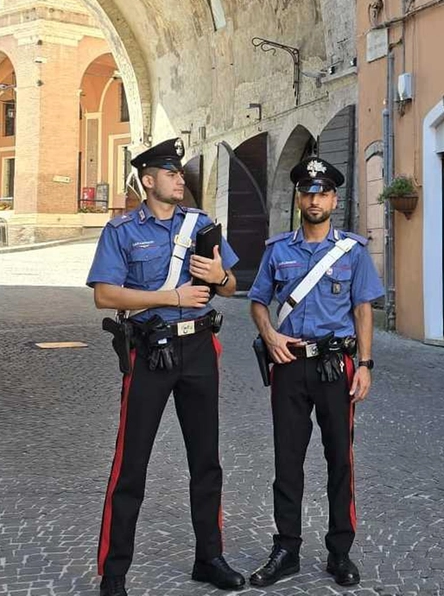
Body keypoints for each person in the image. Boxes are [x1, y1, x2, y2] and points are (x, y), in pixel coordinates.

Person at [86, 138, 247, 596]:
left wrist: (220, 279)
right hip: (150, 352)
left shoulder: (201, 226)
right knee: (131, 465)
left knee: (206, 461)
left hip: (198, 349)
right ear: (148, 180)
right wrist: (170, 297)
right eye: (171, 173)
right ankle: (114, 573)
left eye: (180, 173)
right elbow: (105, 294)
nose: (180, 179)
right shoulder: (120, 231)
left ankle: (209, 558)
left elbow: (232, 285)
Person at [246, 156, 384, 588]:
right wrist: (269, 334)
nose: (314, 199)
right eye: (308, 192)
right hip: (288, 366)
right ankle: (286, 548)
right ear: (299, 199)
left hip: (334, 367)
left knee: (339, 460)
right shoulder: (277, 251)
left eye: (322, 192)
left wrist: (364, 364)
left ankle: (339, 551)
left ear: (333, 199)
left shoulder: (353, 252)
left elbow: (363, 310)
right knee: (287, 461)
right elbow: (257, 300)